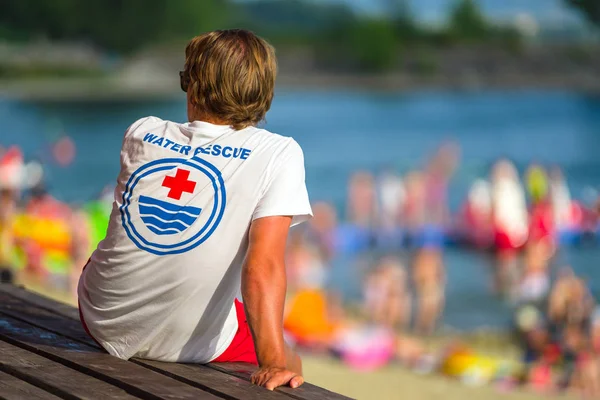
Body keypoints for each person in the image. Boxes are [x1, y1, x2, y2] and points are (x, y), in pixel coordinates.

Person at [77, 30, 312, 391]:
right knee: (292, 359)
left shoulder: (141, 131)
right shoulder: (279, 154)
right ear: (262, 91)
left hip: (103, 318)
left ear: (194, 86)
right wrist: (275, 362)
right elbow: (262, 265)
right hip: (187, 342)